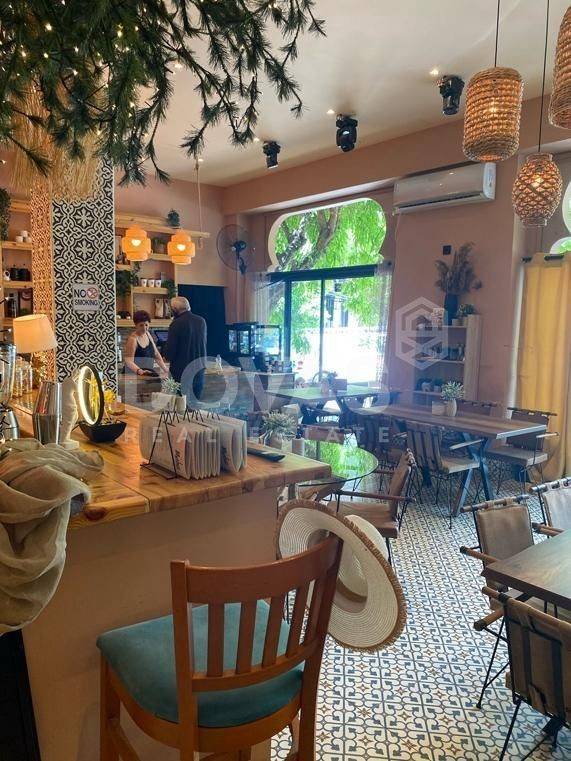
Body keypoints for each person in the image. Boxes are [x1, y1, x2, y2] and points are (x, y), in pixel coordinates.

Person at [166, 296, 207, 399]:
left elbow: (170, 352)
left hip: (181, 372)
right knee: (195, 404)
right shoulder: (201, 321)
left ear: (175, 309)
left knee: (179, 404)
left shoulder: (176, 324)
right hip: (199, 370)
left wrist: (164, 353)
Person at [124, 310, 169, 378]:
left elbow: (156, 354)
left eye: (146, 325)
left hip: (147, 374)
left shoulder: (148, 334)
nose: (144, 328)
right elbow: (129, 361)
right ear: (135, 325)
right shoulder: (133, 339)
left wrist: (165, 369)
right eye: (141, 325)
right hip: (134, 375)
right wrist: (140, 371)